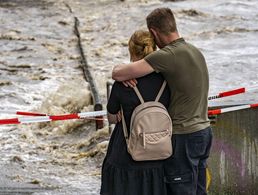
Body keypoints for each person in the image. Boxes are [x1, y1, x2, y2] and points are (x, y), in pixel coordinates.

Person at [112, 8, 212, 195]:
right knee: (199, 191)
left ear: (154, 32)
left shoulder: (167, 55)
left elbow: (118, 73)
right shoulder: (194, 51)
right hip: (204, 132)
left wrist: (124, 74)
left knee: (180, 190)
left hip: (183, 136)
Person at [100, 30, 170, 195]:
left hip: (125, 156)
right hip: (158, 156)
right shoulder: (168, 80)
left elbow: (111, 118)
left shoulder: (123, 82)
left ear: (131, 51)